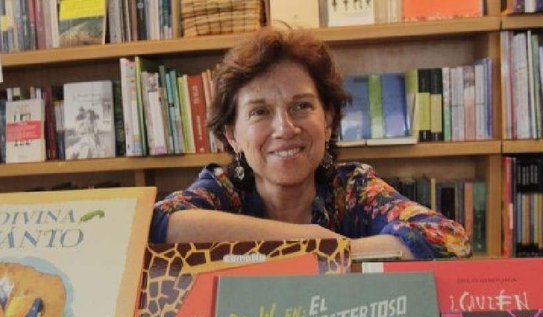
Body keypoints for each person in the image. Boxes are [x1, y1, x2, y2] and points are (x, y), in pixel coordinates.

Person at [150, 27, 471, 260]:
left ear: (327, 120)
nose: (285, 128)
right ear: (232, 135)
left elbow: (449, 240)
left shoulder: (354, 188)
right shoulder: (223, 190)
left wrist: (329, 251)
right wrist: (312, 240)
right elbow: (154, 225)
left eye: (301, 106)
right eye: (260, 112)